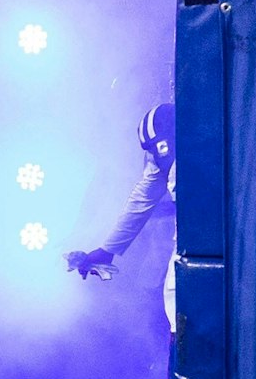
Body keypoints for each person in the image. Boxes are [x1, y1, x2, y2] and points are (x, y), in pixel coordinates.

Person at [68, 104, 176, 326]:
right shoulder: (155, 154)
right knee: (173, 299)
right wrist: (108, 250)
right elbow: (141, 200)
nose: (162, 153)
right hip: (190, 235)